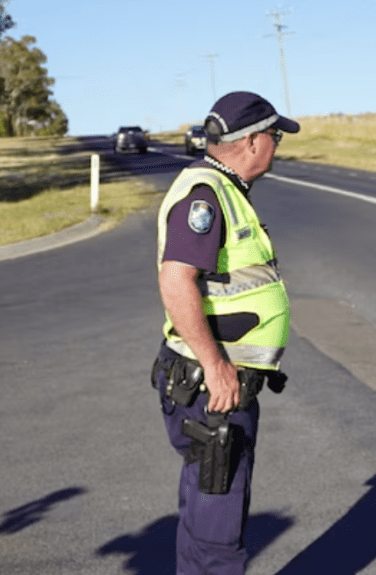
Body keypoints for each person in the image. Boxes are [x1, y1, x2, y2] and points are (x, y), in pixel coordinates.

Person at [151, 91, 299, 574]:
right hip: (211, 388)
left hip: (210, 384)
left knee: (203, 518)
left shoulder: (223, 188)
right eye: (275, 136)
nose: (277, 145)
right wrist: (216, 367)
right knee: (218, 533)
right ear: (253, 141)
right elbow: (176, 279)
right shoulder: (207, 195)